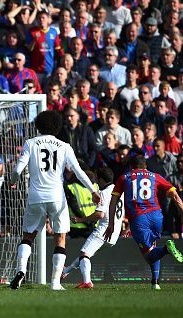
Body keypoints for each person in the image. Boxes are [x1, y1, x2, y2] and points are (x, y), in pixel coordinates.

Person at [9, 111, 100, 291]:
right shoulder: (64, 145)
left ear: (38, 125)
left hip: (35, 197)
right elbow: (78, 171)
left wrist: (12, 181)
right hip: (57, 198)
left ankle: (20, 272)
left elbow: (18, 169)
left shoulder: (30, 143)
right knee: (60, 238)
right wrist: (93, 190)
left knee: (28, 237)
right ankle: (55, 283)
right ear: (57, 127)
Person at [104, 155, 183, 290]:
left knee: (148, 256)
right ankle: (155, 282)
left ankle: (166, 249)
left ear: (131, 167)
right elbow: (175, 196)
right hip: (157, 216)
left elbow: (113, 203)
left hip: (139, 218)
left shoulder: (124, 177)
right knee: (152, 246)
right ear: (145, 166)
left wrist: (111, 223)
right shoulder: (155, 176)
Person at [62, 168, 124, 288]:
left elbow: (100, 214)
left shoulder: (104, 193)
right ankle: (66, 271)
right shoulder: (118, 190)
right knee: (86, 254)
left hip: (104, 230)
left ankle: (87, 282)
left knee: (84, 254)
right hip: (115, 233)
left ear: (101, 180)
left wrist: (80, 219)